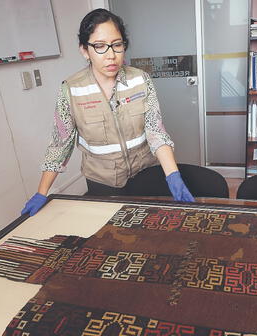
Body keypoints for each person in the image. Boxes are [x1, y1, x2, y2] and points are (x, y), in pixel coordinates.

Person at [22, 9, 194, 216]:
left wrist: (172, 175)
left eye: (117, 45)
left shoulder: (140, 80)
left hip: (146, 174)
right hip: (102, 183)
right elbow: (60, 145)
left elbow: (156, 131)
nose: (111, 55)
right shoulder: (71, 90)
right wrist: (42, 192)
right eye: (100, 46)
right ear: (85, 50)